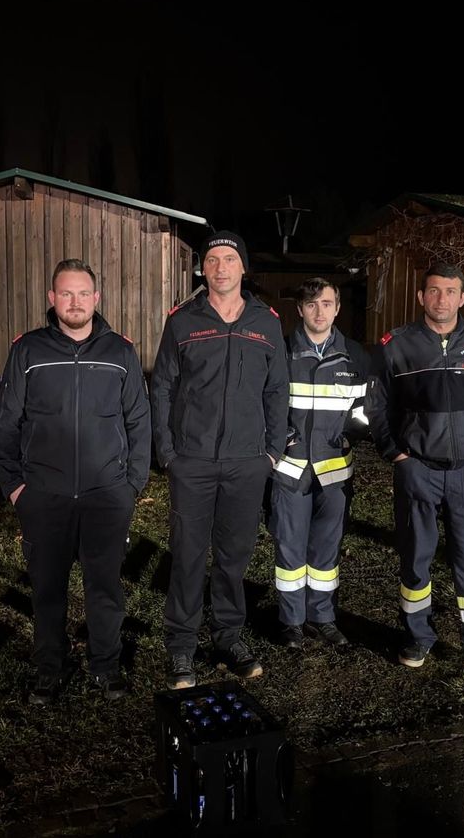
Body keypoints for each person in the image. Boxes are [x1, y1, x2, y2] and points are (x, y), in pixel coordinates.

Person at [0, 259, 150, 703]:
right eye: (66, 293)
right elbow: (6, 423)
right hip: (44, 495)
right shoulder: (28, 350)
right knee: (46, 590)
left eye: (83, 293)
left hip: (106, 494)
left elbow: (139, 420)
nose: (75, 302)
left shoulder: (120, 351)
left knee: (105, 587)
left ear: (97, 299)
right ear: (52, 299)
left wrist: (131, 484)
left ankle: (105, 666)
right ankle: (49, 667)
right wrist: (14, 485)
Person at [150, 230, 288, 689]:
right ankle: (182, 647)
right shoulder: (183, 321)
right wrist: (167, 451)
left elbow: (276, 390)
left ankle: (228, 637)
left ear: (243, 267)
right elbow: (163, 386)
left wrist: (271, 452)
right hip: (192, 460)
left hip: (247, 463)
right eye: (213, 260)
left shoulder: (266, 322)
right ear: (202, 269)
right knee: (188, 555)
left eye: (229, 258)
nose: (221, 267)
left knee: (233, 557)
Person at [366, 263, 464, 684]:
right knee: (416, 557)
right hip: (418, 470)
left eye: (451, 291)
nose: (442, 299)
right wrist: (397, 455)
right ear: (421, 297)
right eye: (434, 291)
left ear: (463, 298)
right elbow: (376, 408)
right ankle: (418, 637)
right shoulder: (397, 345)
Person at [269, 278, 371, 650]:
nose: (319, 312)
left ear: (338, 308)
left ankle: (323, 617)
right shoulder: (279, 353)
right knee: (290, 549)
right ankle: (291, 621)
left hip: (334, 471)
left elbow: (366, 410)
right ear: (299, 310)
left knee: (326, 551)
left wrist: (349, 435)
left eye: (326, 304)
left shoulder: (356, 356)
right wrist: (282, 439)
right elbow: (266, 404)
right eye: (311, 305)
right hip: (291, 469)